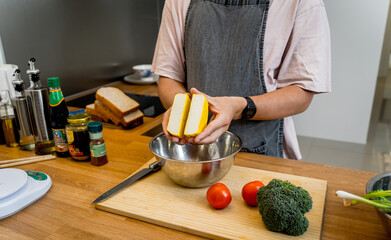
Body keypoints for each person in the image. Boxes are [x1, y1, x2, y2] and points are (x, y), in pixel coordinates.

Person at [152, 0, 331, 160]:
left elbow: (301, 94)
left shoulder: (302, 3)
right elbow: (169, 77)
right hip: (190, 151)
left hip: (261, 154)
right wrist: (180, 109)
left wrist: (239, 107)